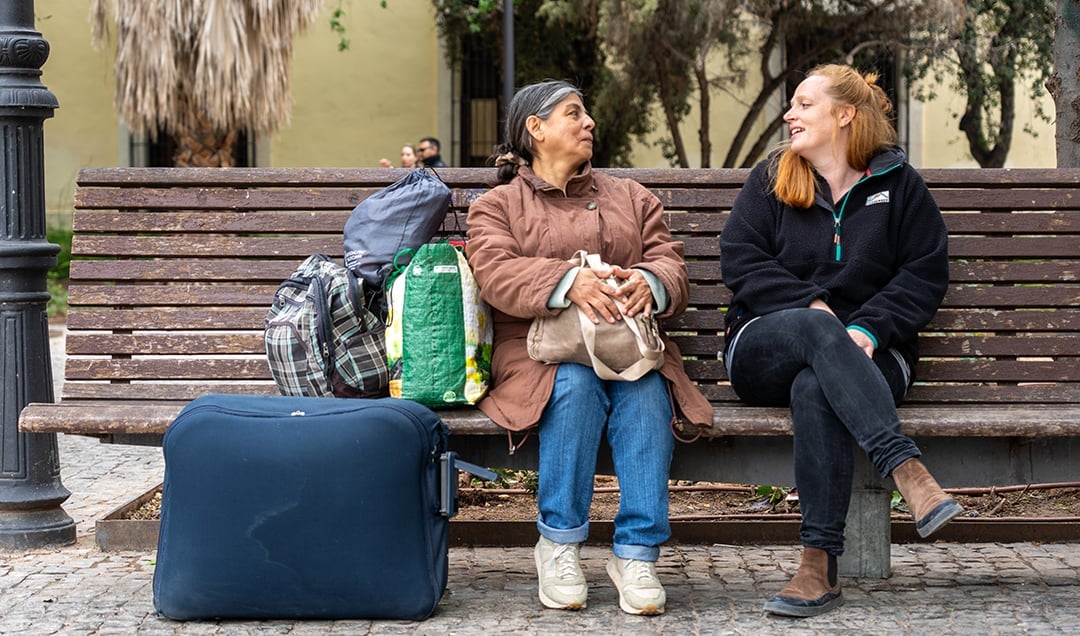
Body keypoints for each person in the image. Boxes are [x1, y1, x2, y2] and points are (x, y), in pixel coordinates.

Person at [720, 63, 963, 618]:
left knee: (815, 386)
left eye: (805, 104)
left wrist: (869, 327)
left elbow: (924, 273)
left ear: (845, 115)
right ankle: (907, 469)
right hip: (766, 342)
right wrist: (816, 308)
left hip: (874, 353)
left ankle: (816, 567)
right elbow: (740, 258)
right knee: (813, 331)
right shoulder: (771, 178)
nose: (790, 114)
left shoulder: (900, 186)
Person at [465, 80, 712, 616]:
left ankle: (637, 555)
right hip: (535, 349)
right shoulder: (496, 206)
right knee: (573, 385)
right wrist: (566, 282)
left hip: (628, 346)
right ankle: (558, 542)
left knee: (647, 390)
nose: (589, 123)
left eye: (587, 114)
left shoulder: (631, 197)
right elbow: (494, 272)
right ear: (536, 128)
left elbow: (669, 260)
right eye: (574, 114)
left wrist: (651, 281)